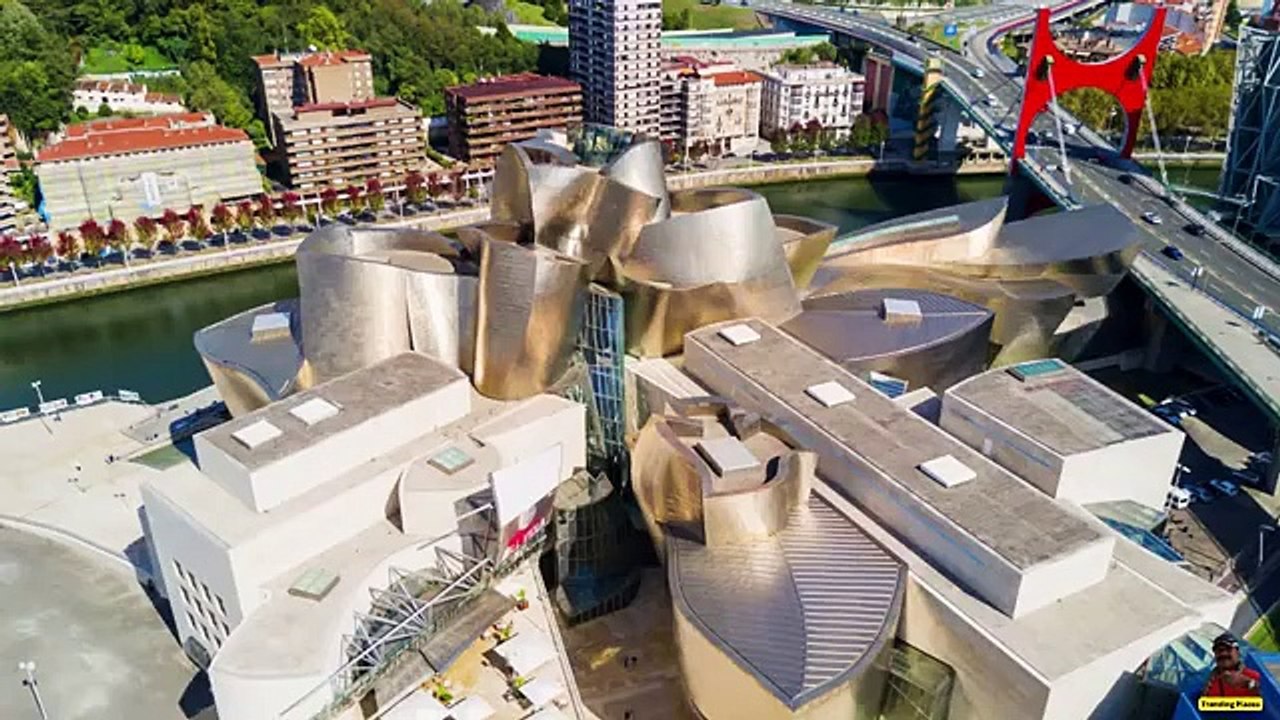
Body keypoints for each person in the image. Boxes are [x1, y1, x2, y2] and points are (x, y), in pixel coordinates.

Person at [1202, 633, 1261, 697]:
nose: (1223, 654)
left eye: (1228, 649)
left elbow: (1268, 697)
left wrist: (1247, 683)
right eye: (1219, 651)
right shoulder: (1209, 685)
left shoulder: (1254, 675)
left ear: (1237, 652)